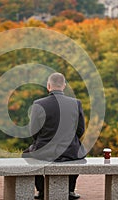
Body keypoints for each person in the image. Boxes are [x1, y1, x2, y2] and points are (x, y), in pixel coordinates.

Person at [23, 72, 86, 200]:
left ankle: (41, 190)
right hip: (70, 150)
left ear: (48, 86)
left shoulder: (38, 103)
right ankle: (70, 190)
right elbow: (81, 130)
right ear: (64, 86)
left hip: (44, 151)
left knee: (26, 154)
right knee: (78, 153)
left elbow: (33, 131)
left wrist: (40, 142)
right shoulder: (76, 103)